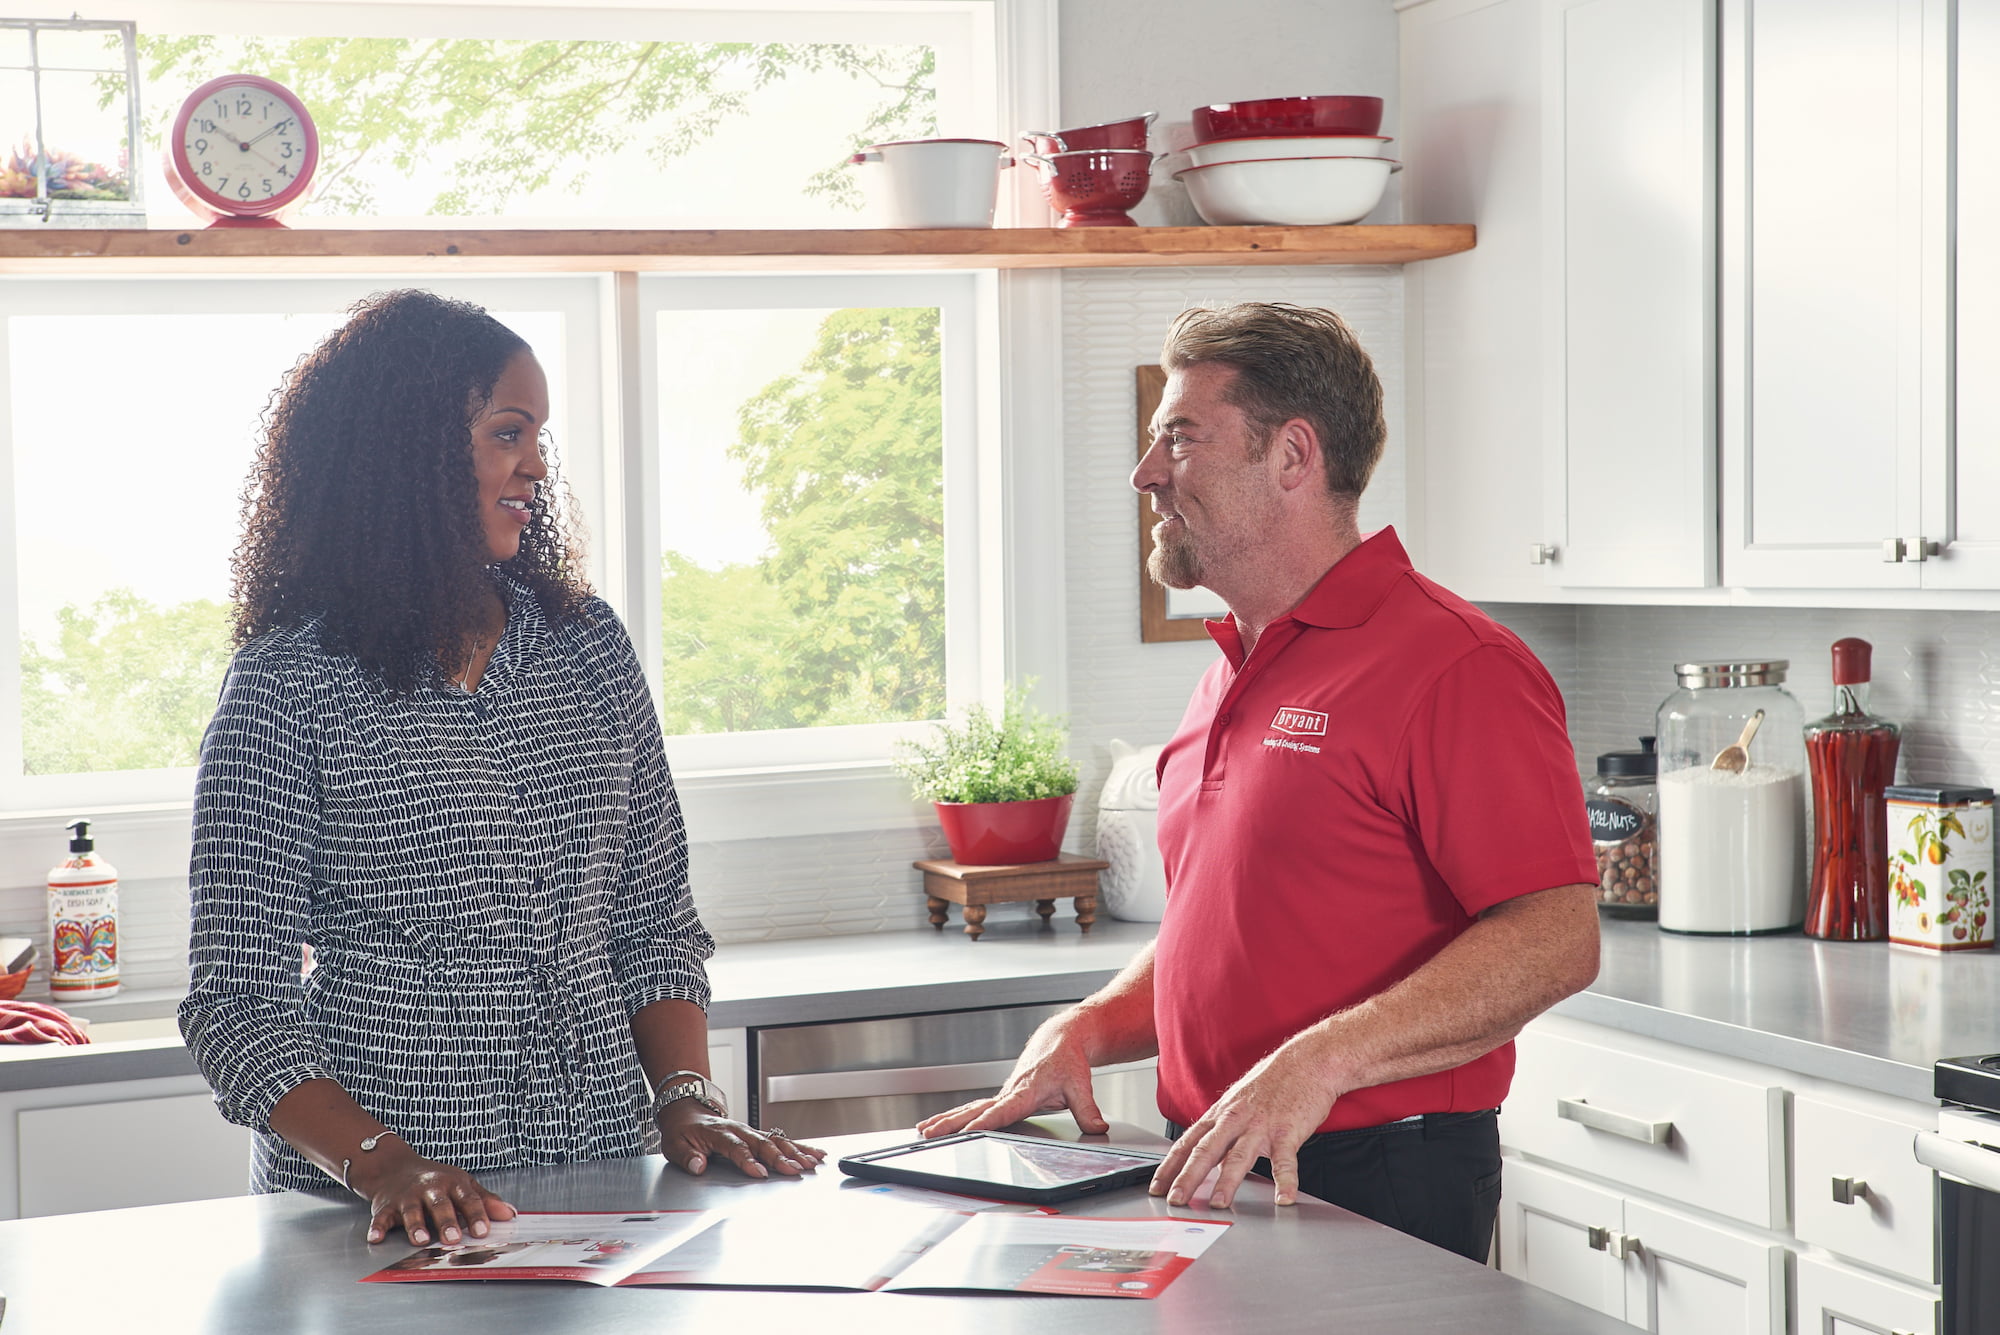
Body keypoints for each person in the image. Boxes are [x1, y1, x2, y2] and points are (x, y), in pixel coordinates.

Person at [918, 302, 1600, 1262]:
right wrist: (1088, 1026)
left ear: (1292, 456)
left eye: (1180, 438)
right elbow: (1238, 934)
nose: (1145, 472)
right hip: (1214, 1160)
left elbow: (1557, 938)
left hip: (1378, 1172)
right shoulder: (1231, 669)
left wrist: (1320, 1062)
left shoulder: (1457, 663)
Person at [181, 288, 822, 1249]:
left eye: (538, 438)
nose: (534, 467)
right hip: (377, 1208)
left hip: (607, 1173)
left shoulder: (587, 646)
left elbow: (651, 918)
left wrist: (685, 1099)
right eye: (505, 433)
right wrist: (385, 1162)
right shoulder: (288, 684)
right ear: (409, 453)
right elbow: (236, 1003)